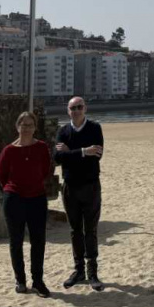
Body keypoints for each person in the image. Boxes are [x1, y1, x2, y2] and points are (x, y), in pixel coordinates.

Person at [0, 111, 52, 297]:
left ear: (35, 127)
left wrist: (33, 185)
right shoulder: (9, 150)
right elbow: (1, 176)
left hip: (37, 198)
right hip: (14, 199)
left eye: (30, 124)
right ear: (17, 126)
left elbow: (45, 170)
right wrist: (13, 190)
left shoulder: (42, 147)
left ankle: (38, 281)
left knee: (38, 241)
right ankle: (20, 280)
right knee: (16, 241)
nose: (26, 128)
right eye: (23, 124)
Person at [54, 96, 105, 291]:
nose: (76, 110)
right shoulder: (63, 131)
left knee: (90, 230)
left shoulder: (94, 128)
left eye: (79, 107)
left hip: (91, 185)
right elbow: (58, 158)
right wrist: (84, 151)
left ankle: (93, 273)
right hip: (70, 187)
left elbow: (98, 155)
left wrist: (71, 153)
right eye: (72, 108)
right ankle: (79, 270)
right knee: (75, 230)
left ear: (85, 108)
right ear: (68, 111)